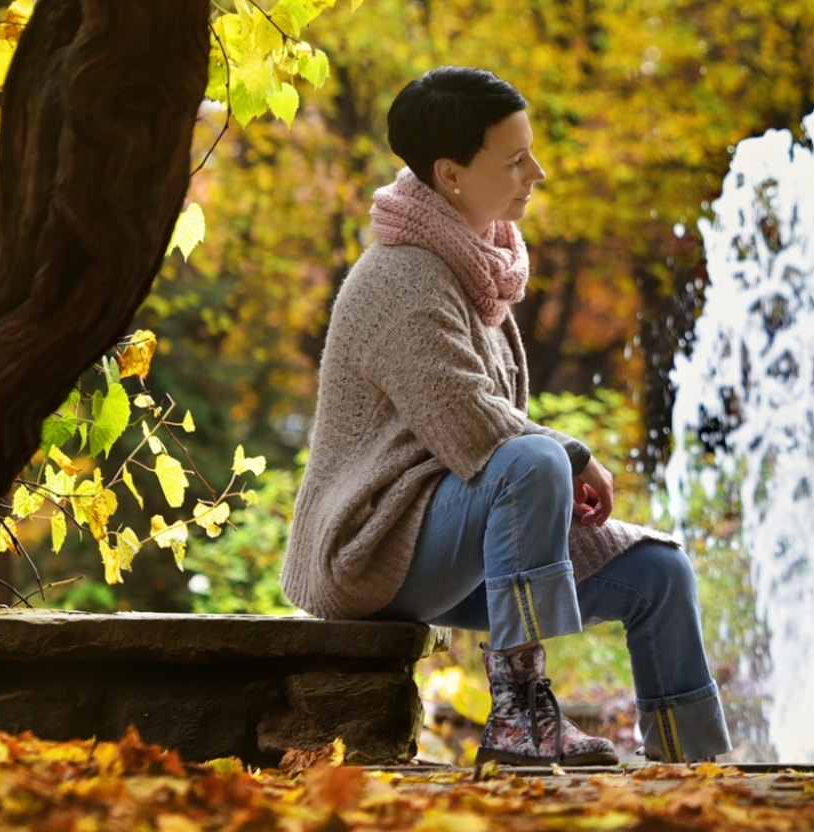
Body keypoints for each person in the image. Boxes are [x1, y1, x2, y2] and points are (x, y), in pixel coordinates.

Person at [280, 66, 729, 766]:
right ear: (451, 175)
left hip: (450, 536)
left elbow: (488, 434)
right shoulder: (402, 279)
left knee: (659, 572)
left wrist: (559, 470)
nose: (537, 172)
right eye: (515, 160)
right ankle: (520, 712)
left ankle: (697, 769)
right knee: (534, 458)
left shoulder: (473, 266)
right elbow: (473, 426)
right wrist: (576, 458)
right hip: (372, 550)